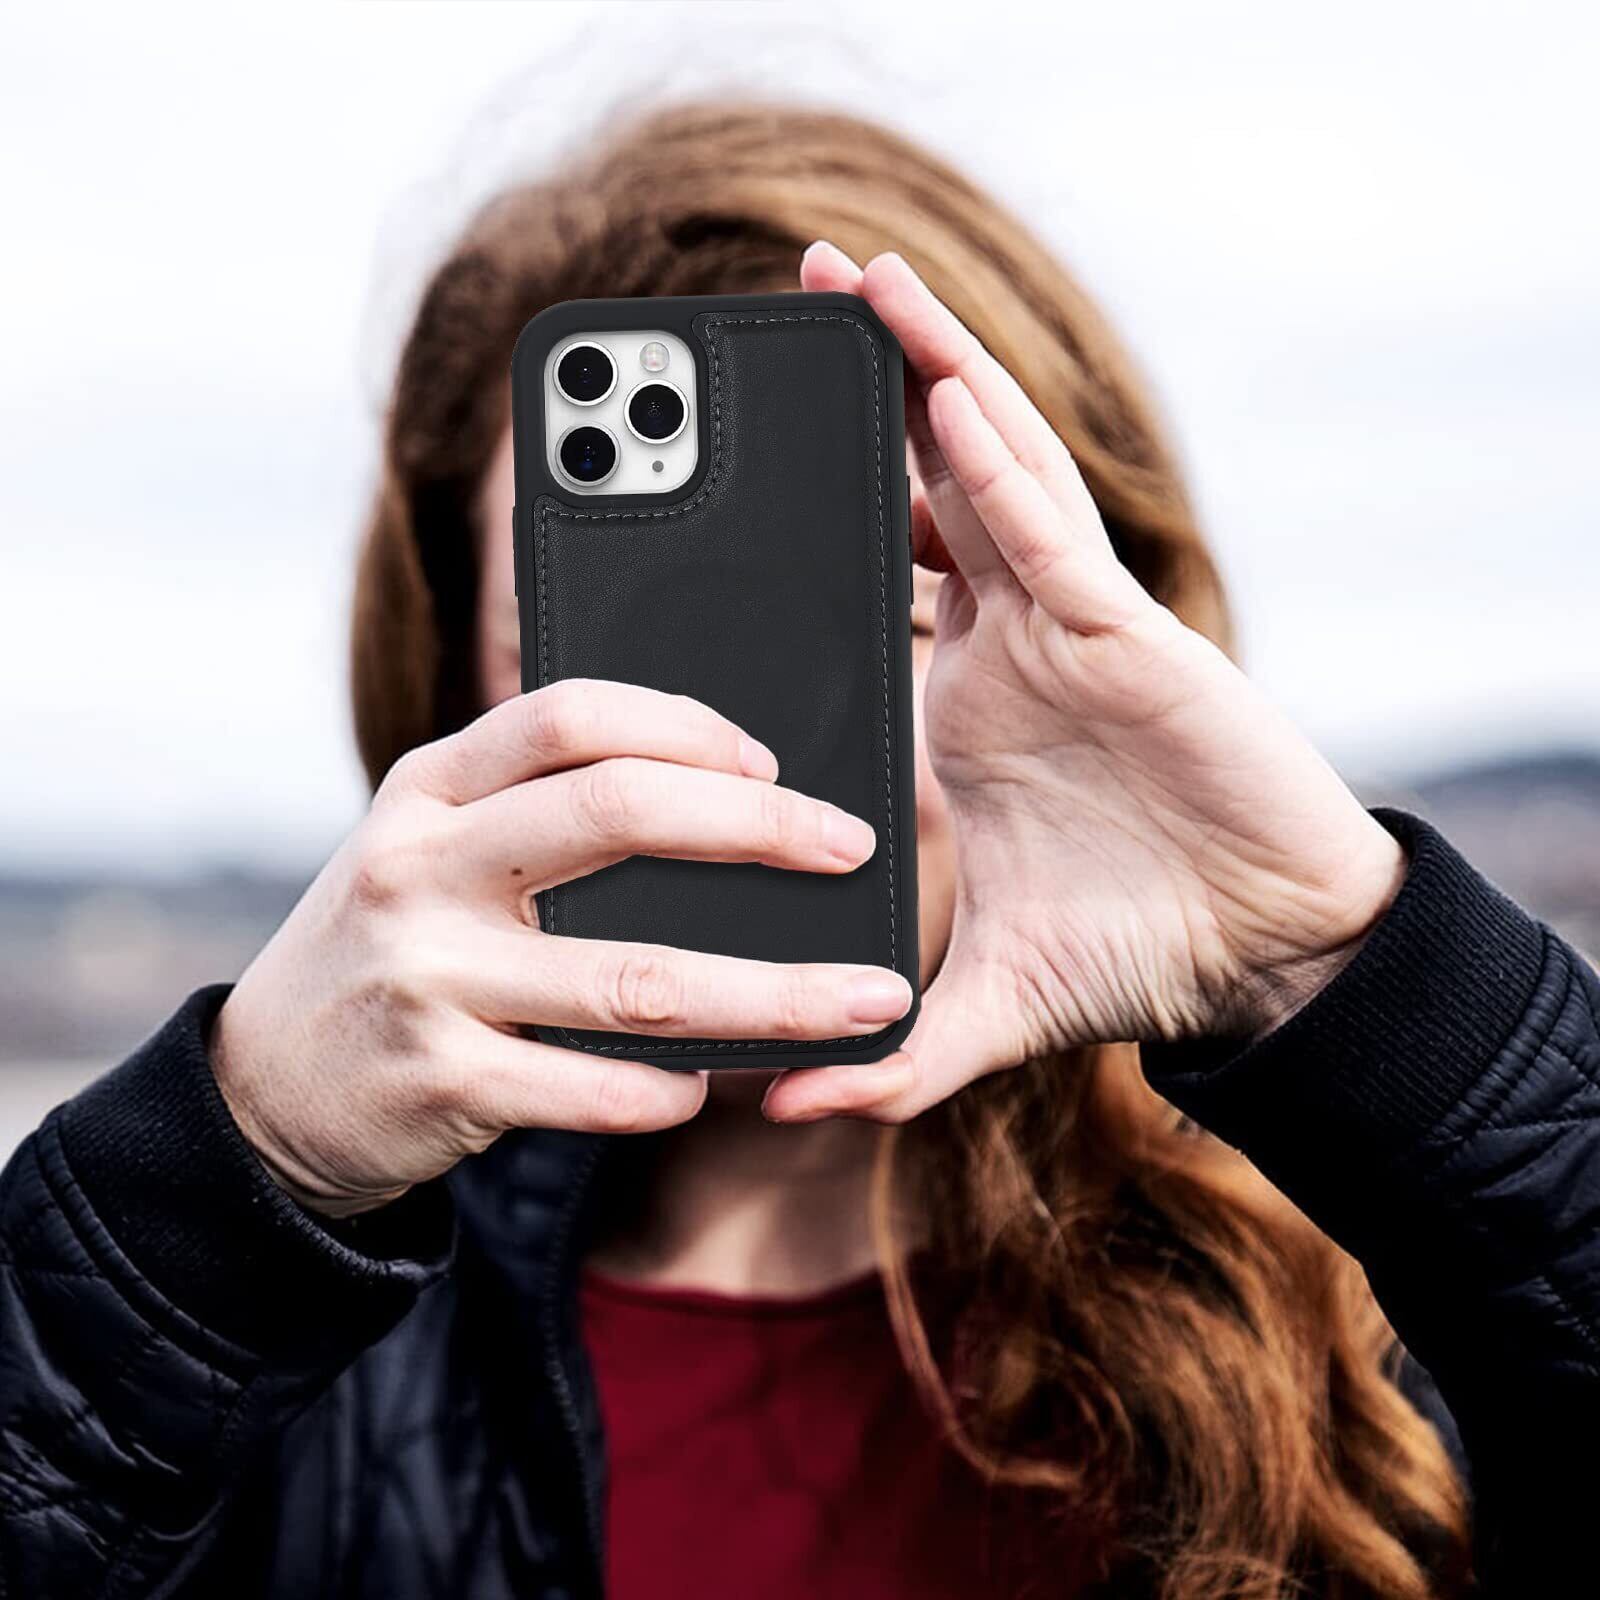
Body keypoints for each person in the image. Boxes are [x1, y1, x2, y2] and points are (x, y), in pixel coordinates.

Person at [2, 102, 1594, 1600]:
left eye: (884, 622)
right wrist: (225, 1192)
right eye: (605, 652)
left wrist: (1361, 990)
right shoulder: (268, 1356)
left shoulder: (1393, 1285)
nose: (723, 767)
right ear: (446, 700)